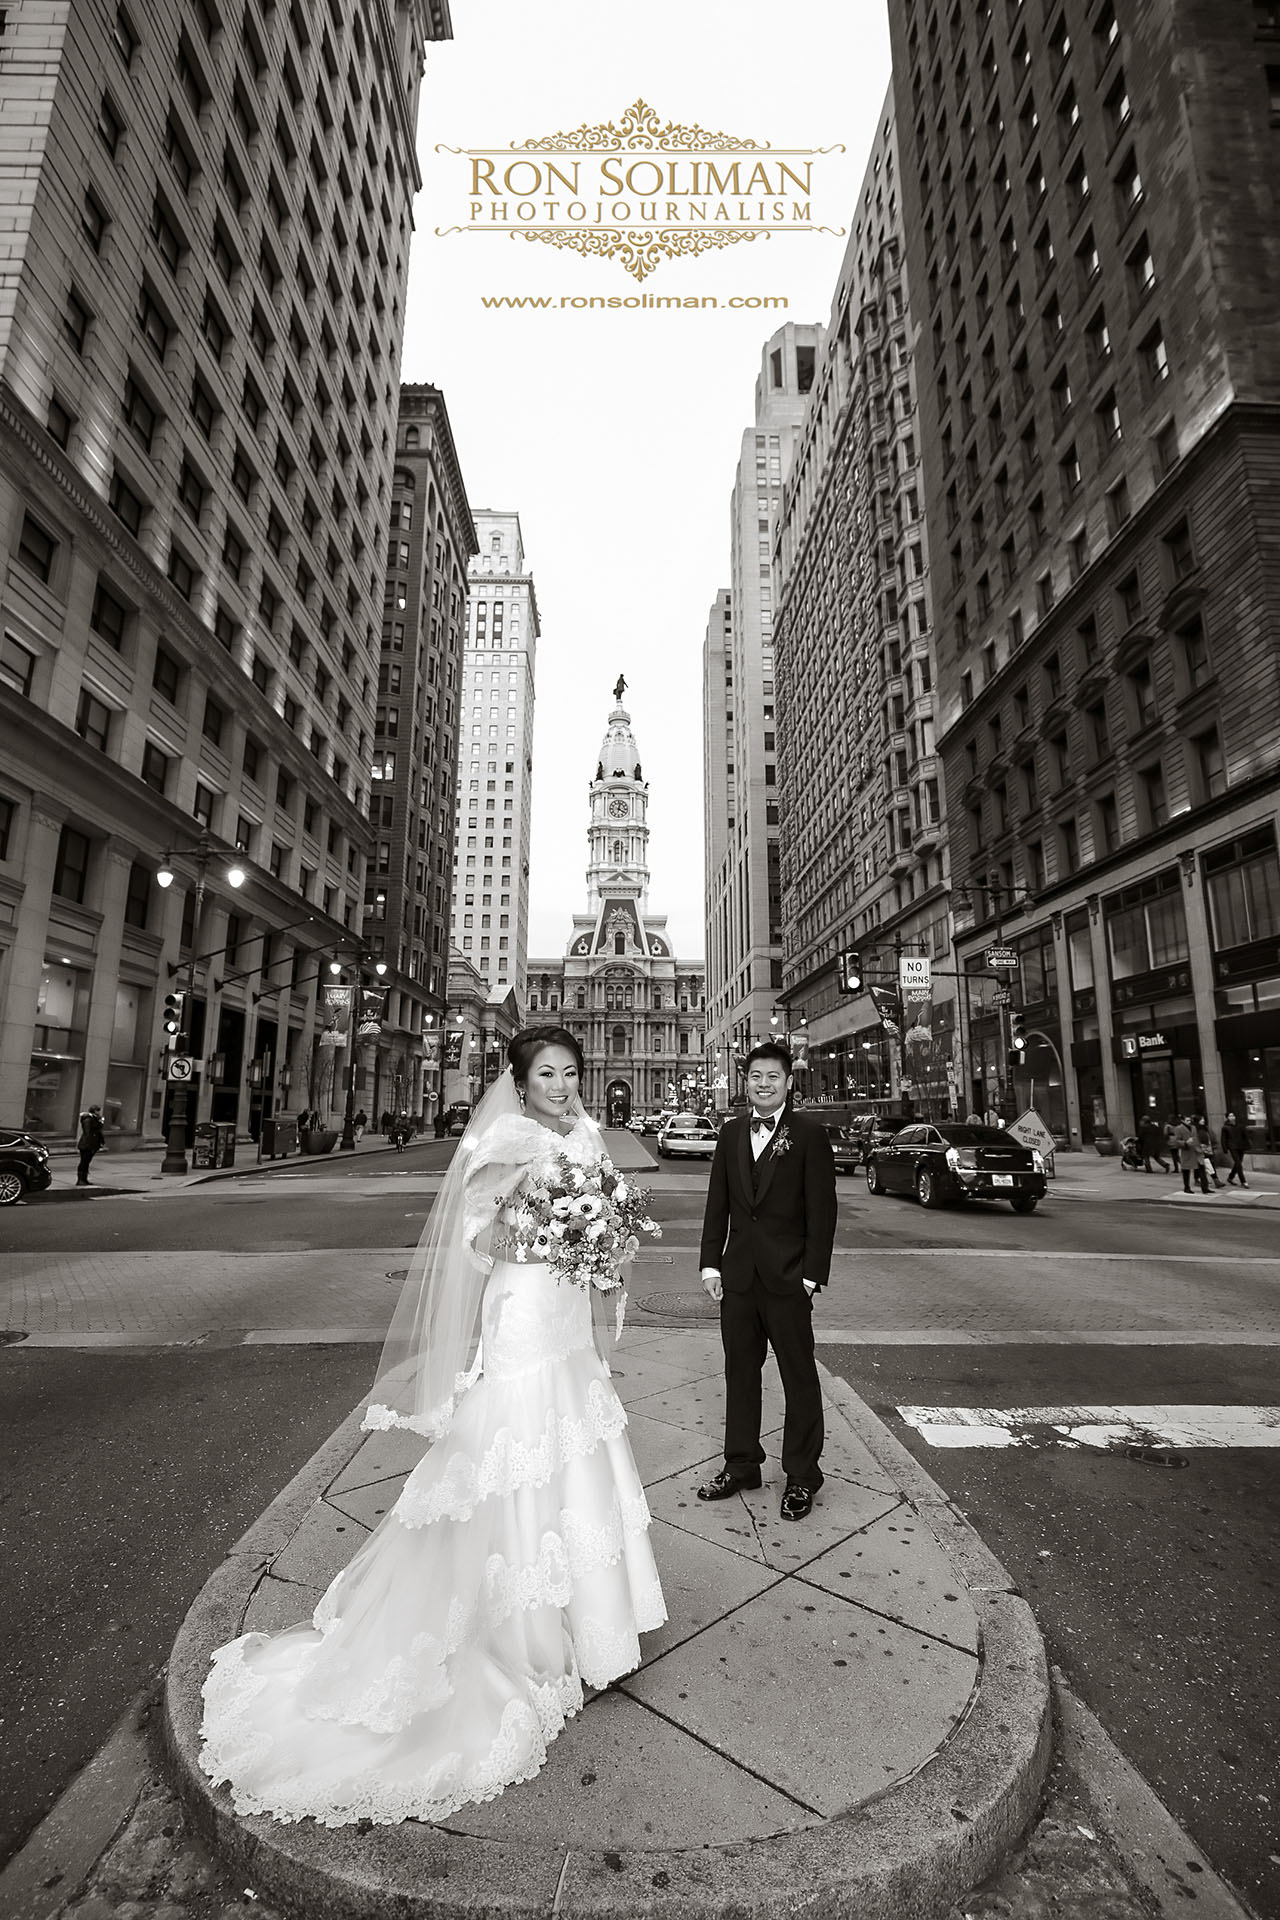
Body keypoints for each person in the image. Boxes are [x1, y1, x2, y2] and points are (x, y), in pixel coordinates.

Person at [200, 1025, 664, 1826]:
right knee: (513, 1457)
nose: (562, 1084)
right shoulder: (504, 1139)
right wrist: (555, 1231)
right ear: (519, 1084)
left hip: (566, 1323)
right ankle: (519, 1636)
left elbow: (609, 1221)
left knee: (577, 1451)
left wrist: (602, 1243)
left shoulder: (589, 1133)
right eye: (546, 1073)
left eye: (571, 1071)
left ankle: (591, 1630)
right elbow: (474, 1238)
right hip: (520, 1312)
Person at [697, 1041, 838, 1523]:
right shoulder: (732, 1132)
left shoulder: (810, 1135)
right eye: (755, 1076)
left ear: (788, 1081)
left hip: (788, 1279)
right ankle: (741, 1465)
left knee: (798, 1377)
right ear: (746, 1081)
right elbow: (719, 1204)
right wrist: (711, 1266)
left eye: (772, 1077)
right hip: (737, 1278)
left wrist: (811, 1277)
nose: (763, 1084)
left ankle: (801, 1476)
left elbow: (823, 1213)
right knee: (739, 1373)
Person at [1170, 1115, 1206, 1194]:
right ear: (1183, 1121)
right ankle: (1187, 1187)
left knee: (1202, 1168)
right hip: (1186, 1151)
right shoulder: (1178, 1128)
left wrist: (1200, 1146)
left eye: (1190, 1120)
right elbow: (1176, 1141)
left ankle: (1205, 1187)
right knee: (1186, 1170)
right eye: (1187, 1120)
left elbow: (1196, 1138)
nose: (1189, 1122)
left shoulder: (1193, 1128)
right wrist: (1185, 1143)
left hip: (1196, 1150)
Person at [75, 1104, 105, 1186]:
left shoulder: (94, 1119)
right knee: (84, 1162)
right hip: (87, 1145)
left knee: (86, 1162)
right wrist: (90, 1144)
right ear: (94, 1111)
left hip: (91, 1144)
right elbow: (88, 1132)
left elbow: (98, 1129)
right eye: (98, 1111)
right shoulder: (88, 1119)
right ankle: (81, 1179)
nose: (99, 1112)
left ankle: (84, 1179)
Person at [1221, 1109, 1250, 1188]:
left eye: (1233, 1115)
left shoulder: (1240, 1125)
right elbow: (1223, 1139)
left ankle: (1230, 1177)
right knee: (1238, 1163)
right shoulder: (1225, 1127)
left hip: (1241, 1146)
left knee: (1238, 1163)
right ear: (1227, 1118)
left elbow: (1245, 1135)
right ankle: (1243, 1181)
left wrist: (1247, 1144)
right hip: (1232, 1147)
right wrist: (1225, 1148)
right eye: (1230, 1116)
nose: (1232, 1117)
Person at [1193, 1114, 1223, 1189]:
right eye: (1201, 1119)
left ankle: (1200, 1179)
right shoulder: (1194, 1129)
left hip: (1209, 1149)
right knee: (1207, 1165)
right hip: (1201, 1151)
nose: (1203, 1120)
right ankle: (1216, 1181)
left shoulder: (1205, 1128)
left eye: (1203, 1119)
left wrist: (1214, 1145)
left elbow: (1211, 1137)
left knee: (1207, 1166)